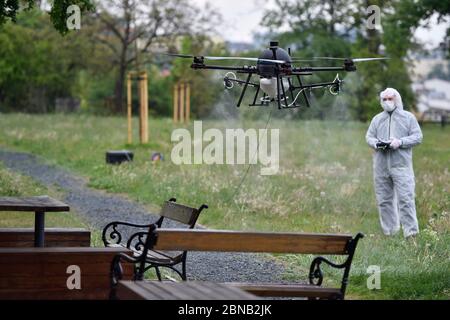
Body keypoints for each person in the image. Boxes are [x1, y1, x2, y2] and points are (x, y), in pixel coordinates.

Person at [366, 88, 423, 238]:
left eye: (390, 99)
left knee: (406, 199)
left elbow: (418, 136)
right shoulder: (377, 119)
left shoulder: (407, 118)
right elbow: (369, 136)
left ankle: (411, 234)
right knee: (384, 200)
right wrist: (376, 144)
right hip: (381, 166)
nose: (387, 102)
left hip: (401, 166)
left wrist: (401, 142)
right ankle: (390, 232)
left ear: (396, 99)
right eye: (384, 99)